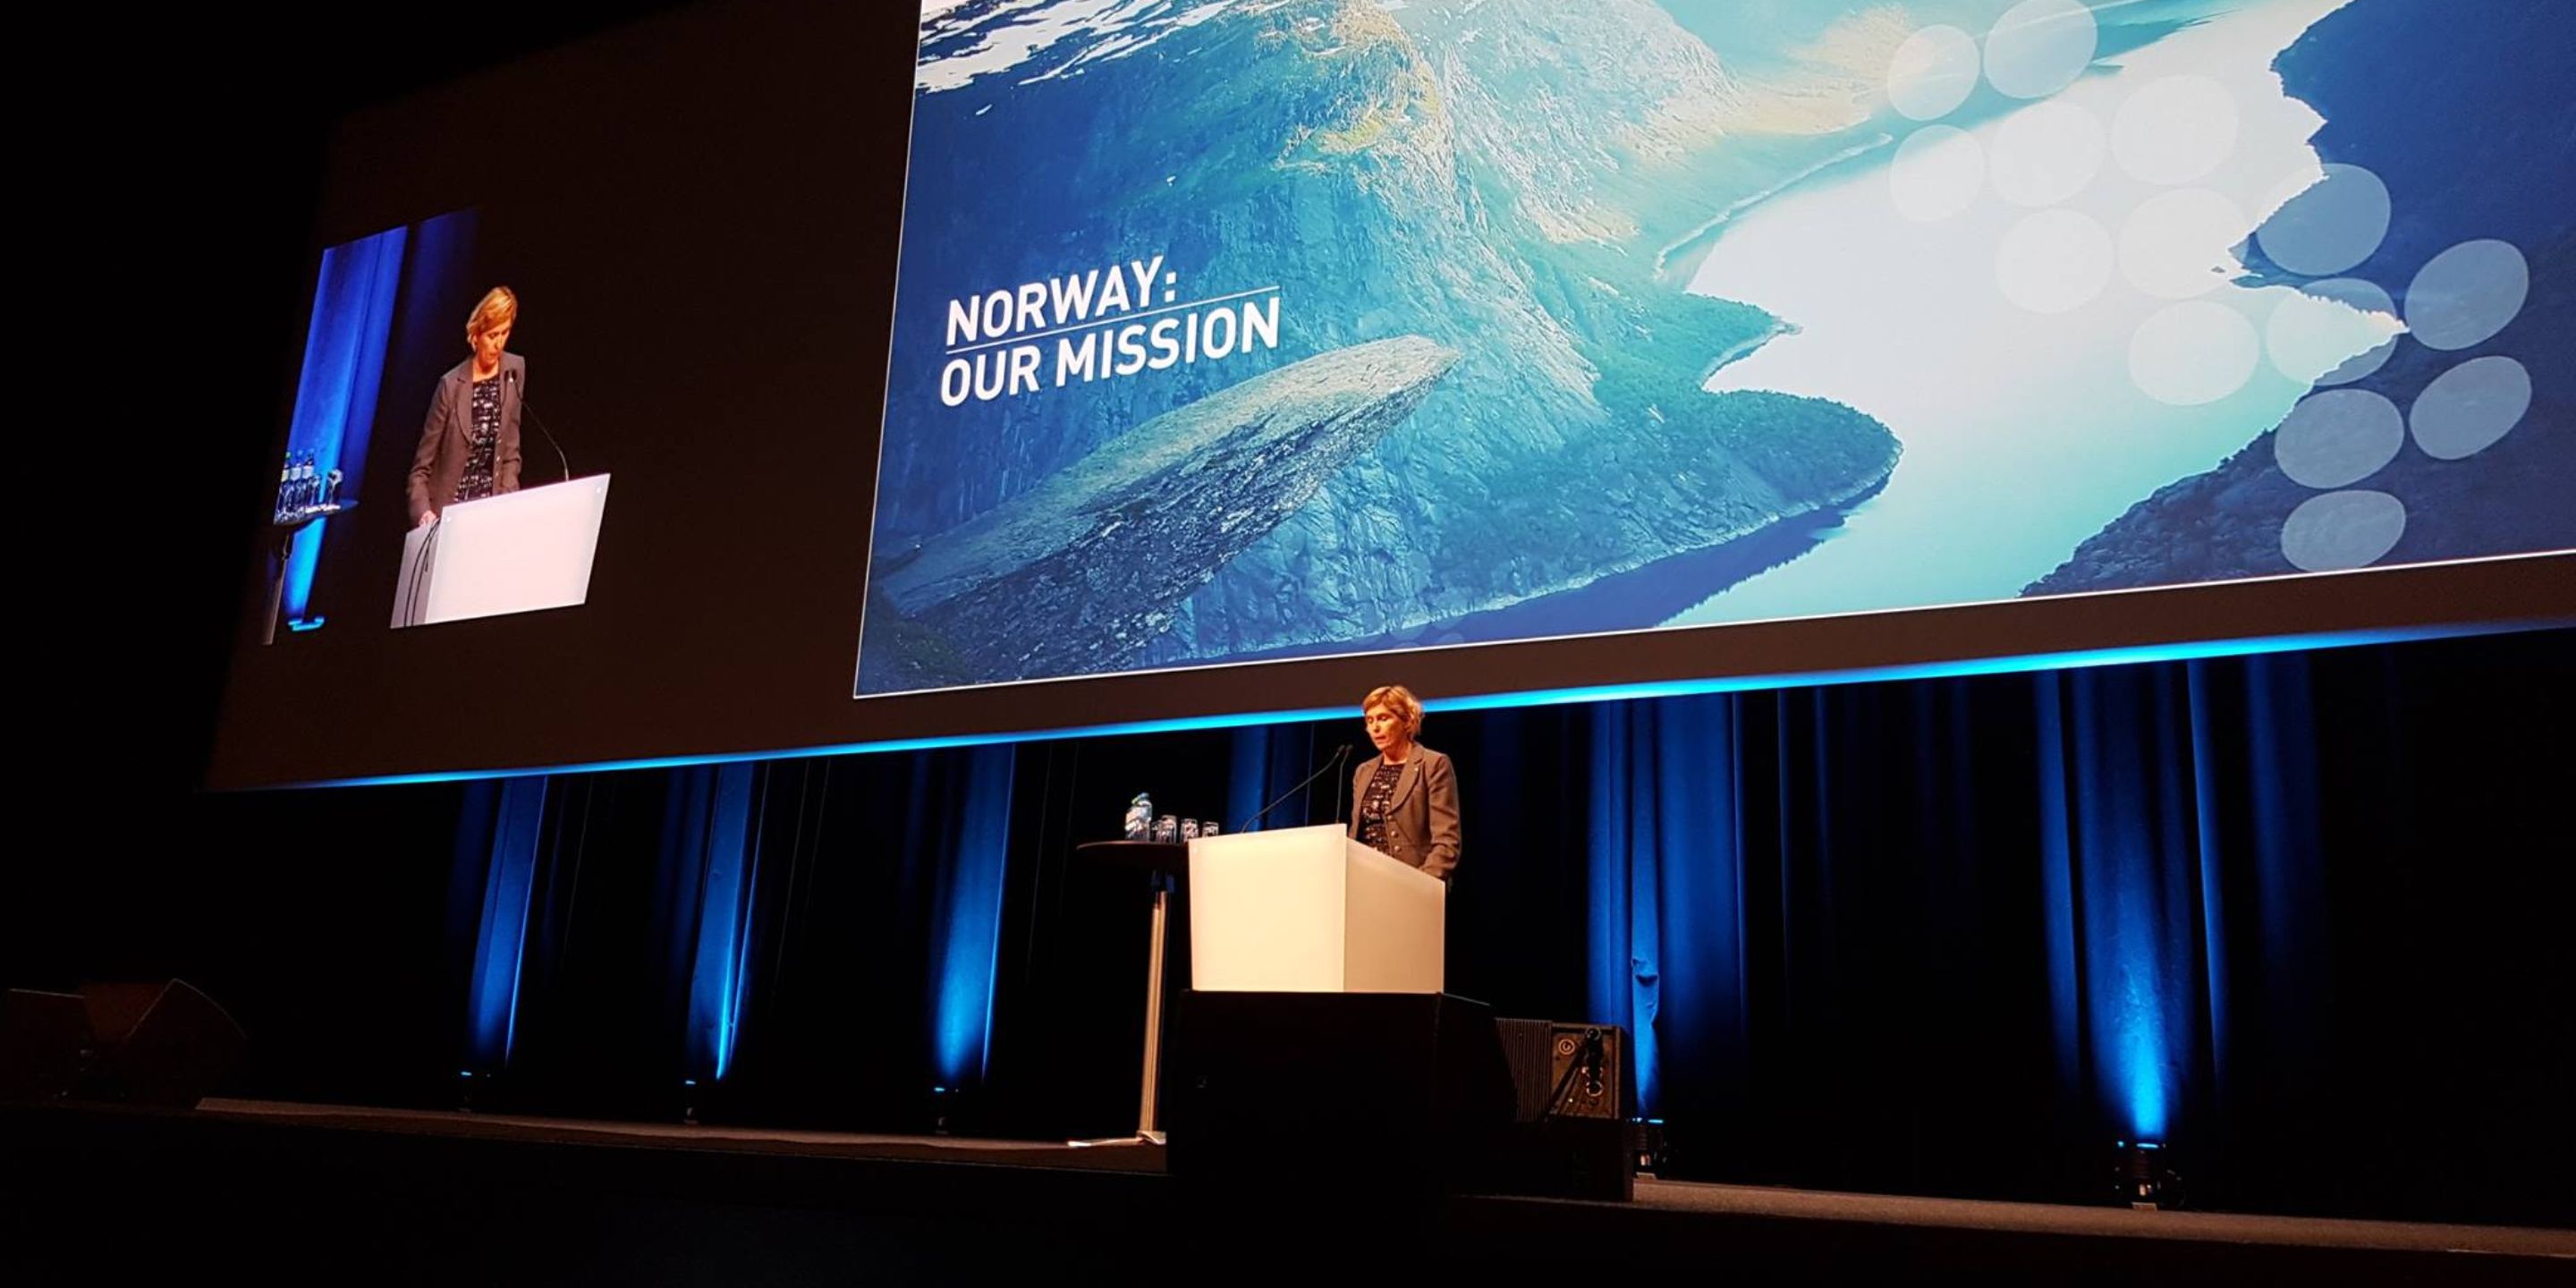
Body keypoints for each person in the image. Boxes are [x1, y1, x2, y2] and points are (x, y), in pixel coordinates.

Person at [408, 286, 524, 529]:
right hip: (449, 517)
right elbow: (420, 470)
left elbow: (511, 451)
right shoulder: (450, 386)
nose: (499, 344)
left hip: (491, 517)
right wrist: (424, 515)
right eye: (492, 335)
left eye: (505, 333)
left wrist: (506, 500)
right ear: (476, 334)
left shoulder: (514, 371)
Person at [1348, 684, 1461, 882]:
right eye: (1369, 720)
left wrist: (1421, 884)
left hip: (1412, 885)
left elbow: (1446, 842)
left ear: (1407, 721)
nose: (1375, 728)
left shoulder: (1433, 764)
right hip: (1365, 883)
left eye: (1383, 718)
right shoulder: (1363, 772)